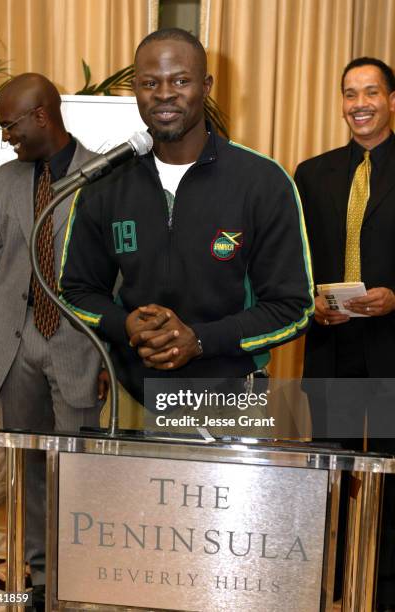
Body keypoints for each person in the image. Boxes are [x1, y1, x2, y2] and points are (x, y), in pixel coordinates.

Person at [60, 28, 314, 416]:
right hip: (131, 399)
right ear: (135, 89)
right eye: (149, 82)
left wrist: (200, 341)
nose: (164, 93)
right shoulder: (106, 183)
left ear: (206, 85)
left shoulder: (262, 182)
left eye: (181, 80)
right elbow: (76, 290)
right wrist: (124, 324)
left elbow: (293, 307)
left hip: (231, 398)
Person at [0, 74, 107, 599]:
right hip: (15, 343)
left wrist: (108, 359)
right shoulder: (5, 182)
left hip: (79, 347)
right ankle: (41, 577)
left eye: (11, 125)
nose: (6, 136)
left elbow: (120, 275)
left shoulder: (104, 175)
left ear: (41, 116)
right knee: (27, 468)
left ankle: (81, 576)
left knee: (78, 468)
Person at [295, 57, 395, 610]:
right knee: (328, 469)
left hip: (389, 352)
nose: (360, 103)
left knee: (386, 475)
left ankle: (381, 587)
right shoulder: (312, 173)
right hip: (331, 348)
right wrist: (310, 301)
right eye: (350, 93)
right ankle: (325, 578)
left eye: (371, 92)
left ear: (391, 100)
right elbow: (295, 258)